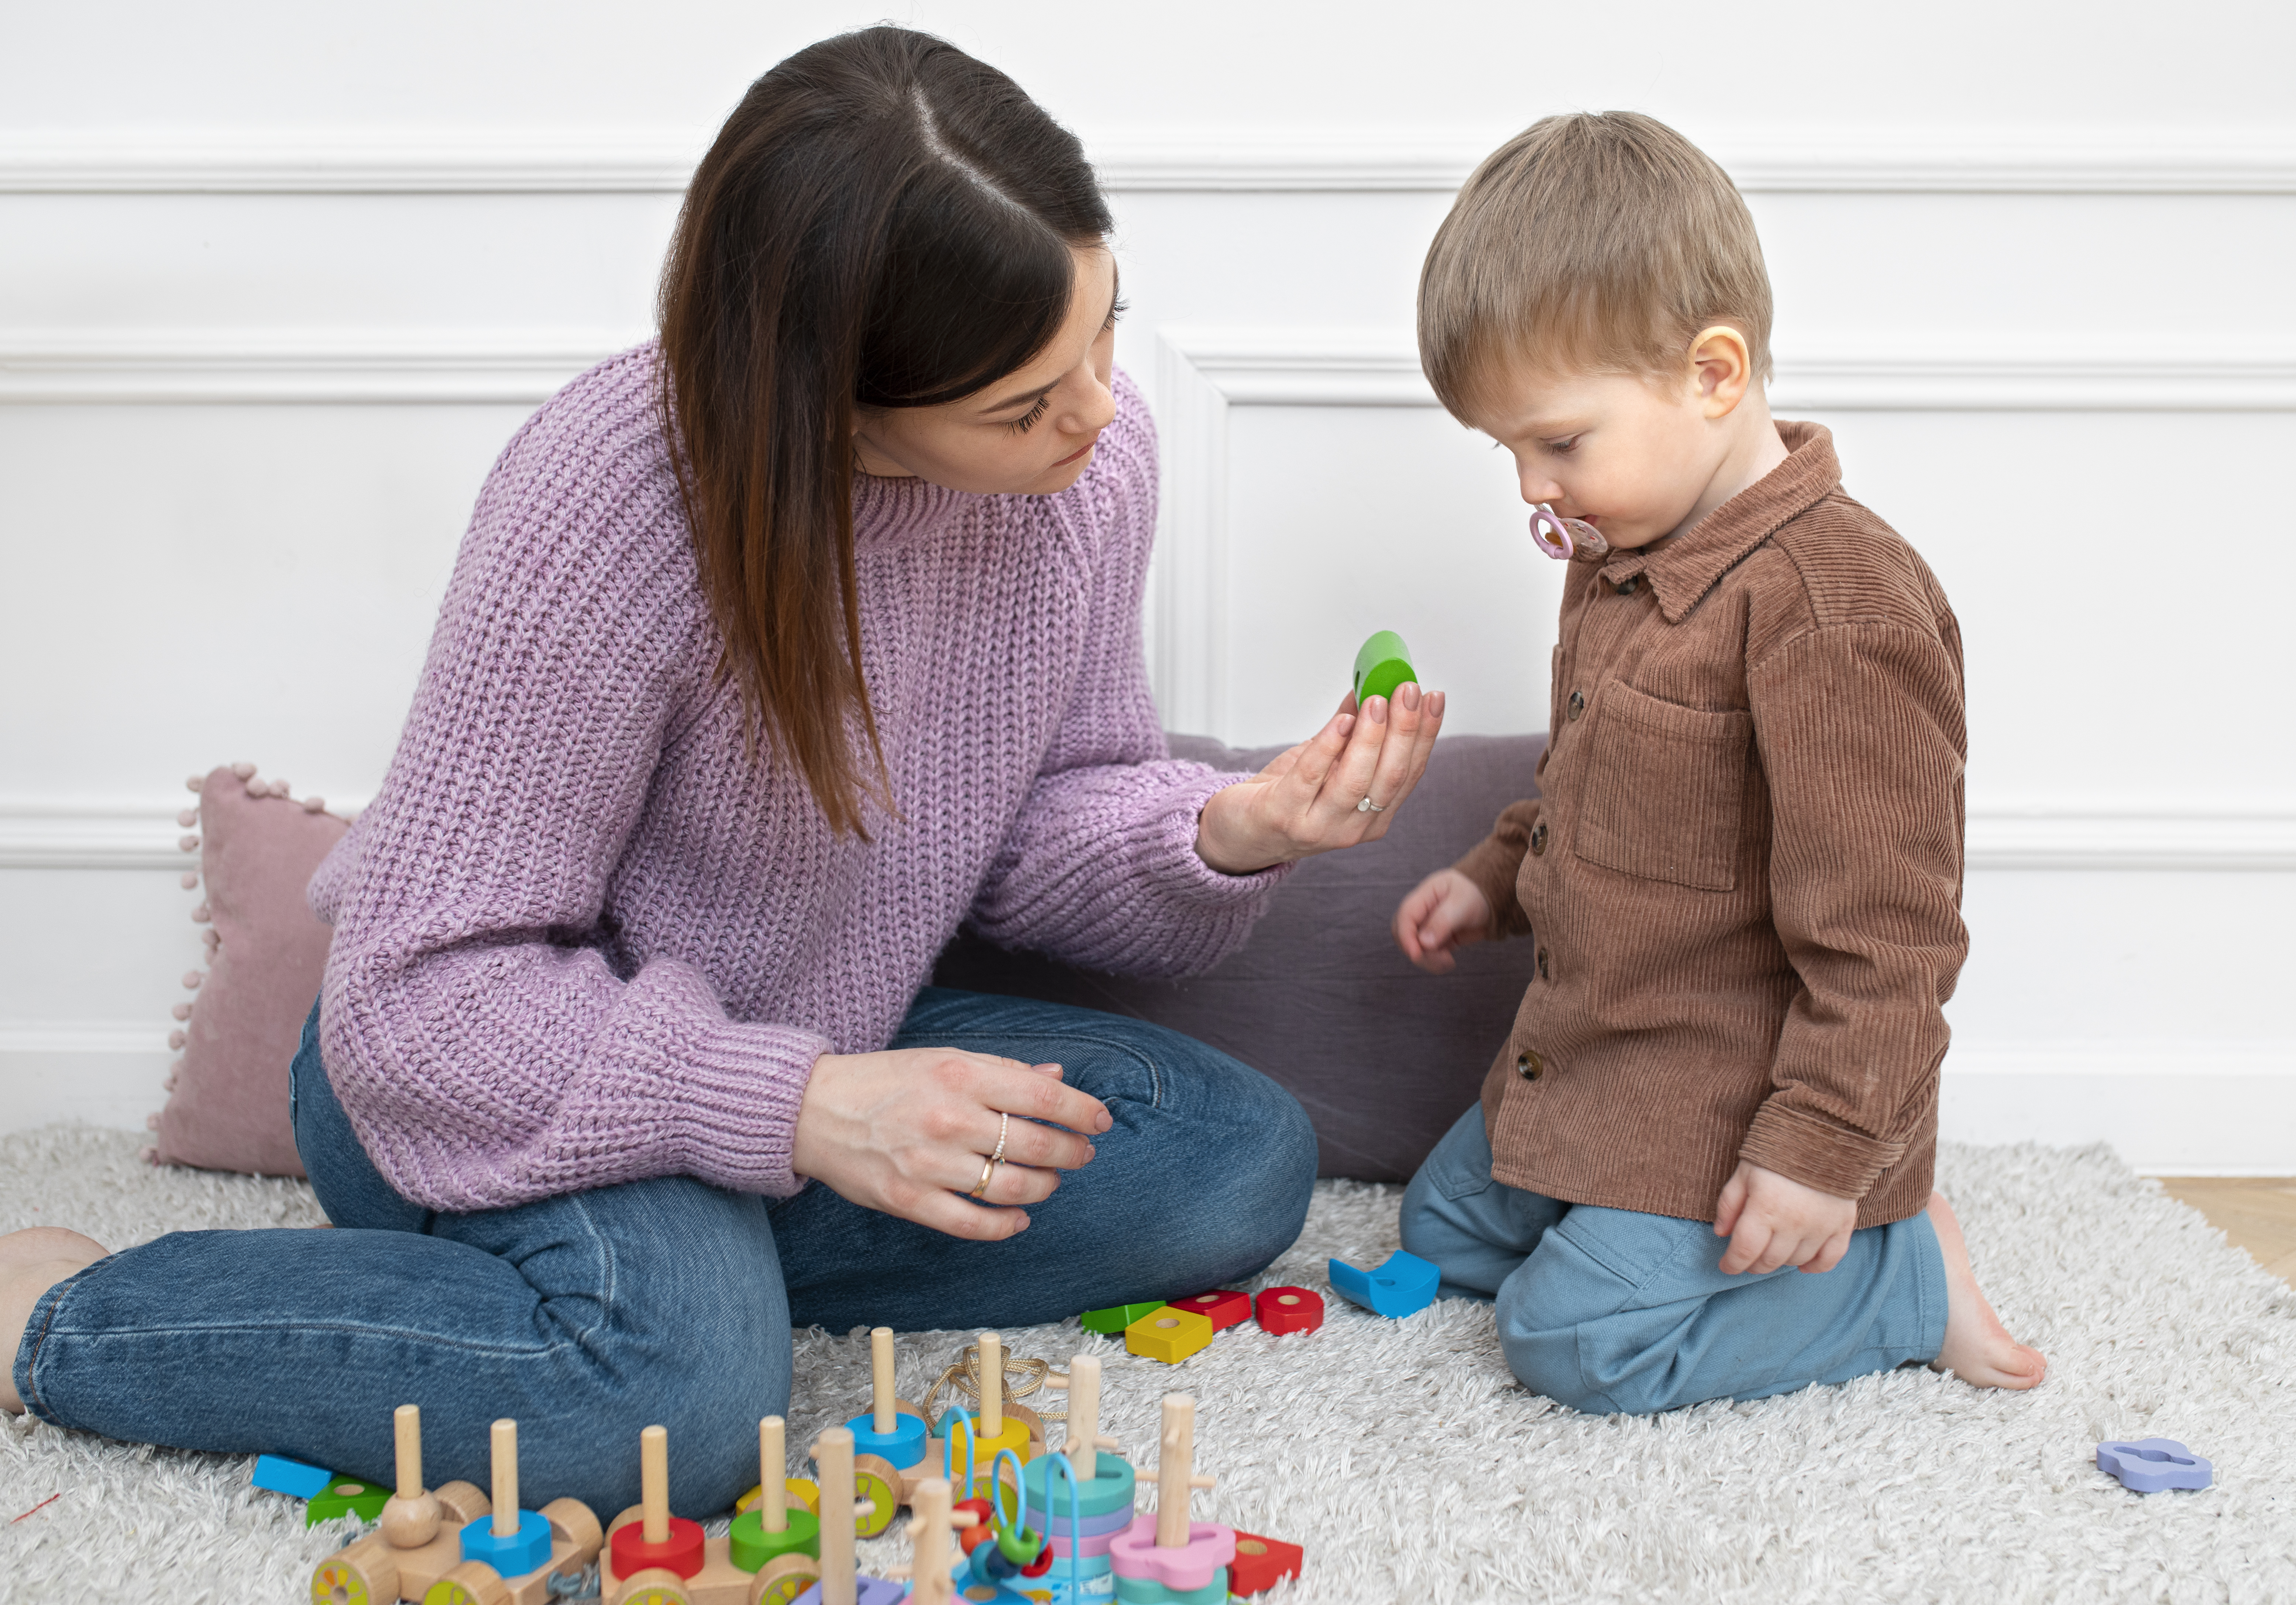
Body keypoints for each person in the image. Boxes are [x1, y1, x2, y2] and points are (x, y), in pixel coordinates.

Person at [0, 28, 1446, 1513]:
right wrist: (804, 1110)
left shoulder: (1089, 472)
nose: (1093, 412)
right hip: (490, 1069)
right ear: (830, 400)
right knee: (679, 1418)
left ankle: (643, 1285)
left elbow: (1032, 823)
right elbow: (420, 996)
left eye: (1104, 333)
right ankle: (68, 1313)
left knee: (1233, 1161)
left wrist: (1230, 827)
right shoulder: (610, 504)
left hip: (795, 1040)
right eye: (1021, 404)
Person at [1390, 112, 2044, 1416]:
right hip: (1605, 1049)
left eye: (1560, 442)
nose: (1533, 485)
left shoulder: (1835, 612)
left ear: (1713, 372)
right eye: (1506, 450)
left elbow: (1891, 936)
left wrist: (1820, 1155)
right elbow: (1595, 771)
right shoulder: (1617, 554)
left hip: (1740, 1094)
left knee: (1573, 1341)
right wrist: (1493, 876)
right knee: (1441, 1235)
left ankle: (1898, 1268)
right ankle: (1626, 1215)